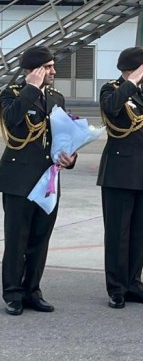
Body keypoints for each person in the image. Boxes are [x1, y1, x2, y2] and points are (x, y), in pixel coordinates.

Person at [0, 47, 76, 316]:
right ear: (34, 70)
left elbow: (63, 135)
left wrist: (71, 157)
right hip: (19, 179)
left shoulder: (56, 97)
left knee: (39, 239)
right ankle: (12, 293)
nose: (54, 72)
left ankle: (32, 291)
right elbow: (11, 120)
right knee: (16, 240)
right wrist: (31, 89)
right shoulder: (12, 94)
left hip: (48, 179)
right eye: (49, 67)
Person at [97, 47, 143, 309]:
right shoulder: (111, 89)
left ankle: (134, 283)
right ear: (133, 67)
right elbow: (112, 108)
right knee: (118, 233)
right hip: (119, 173)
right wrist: (131, 82)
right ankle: (116, 288)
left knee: (139, 232)